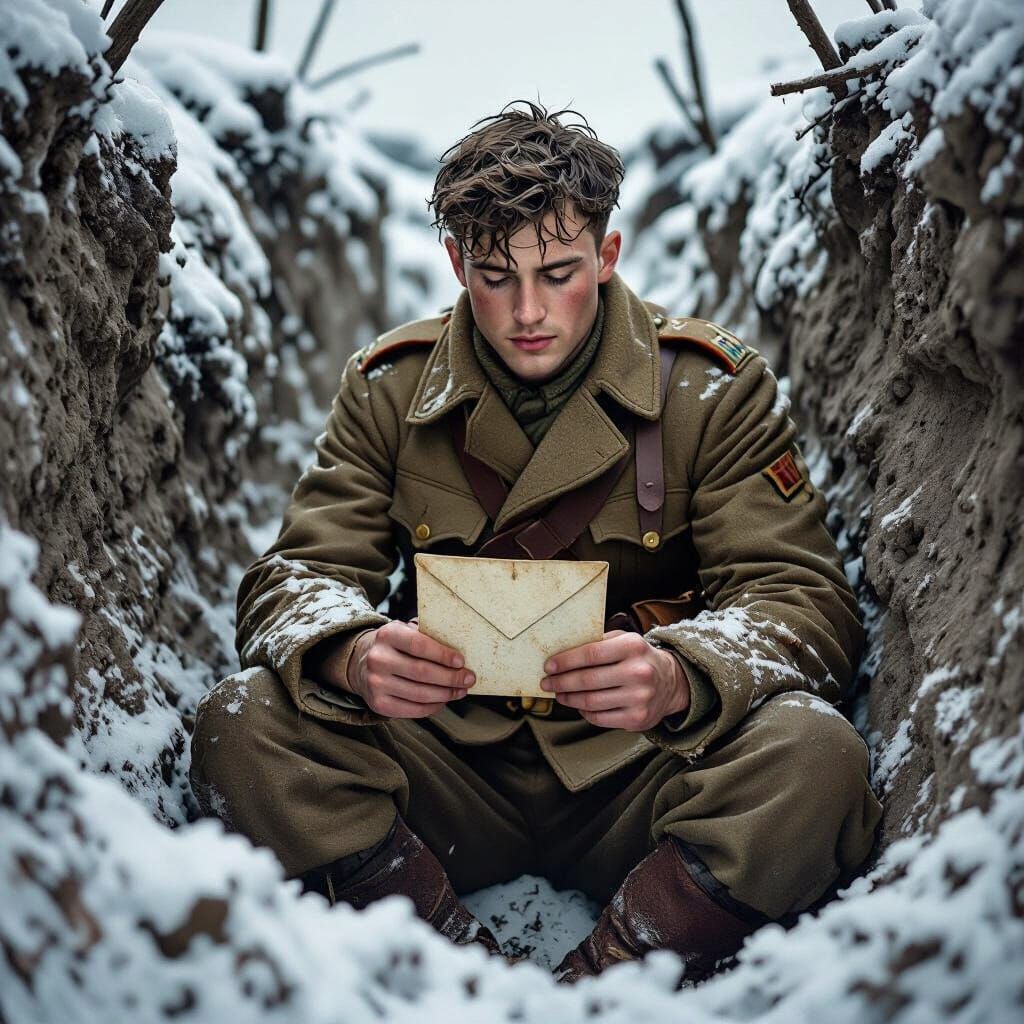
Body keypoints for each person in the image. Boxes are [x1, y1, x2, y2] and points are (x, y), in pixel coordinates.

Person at [189, 101, 883, 984]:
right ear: (456, 265)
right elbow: (297, 575)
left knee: (816, 756)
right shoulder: (389, 390)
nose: (528, 311)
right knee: (244, 725)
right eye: (495, 276)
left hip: (640, 768)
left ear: (607, 254)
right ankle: (446, 972)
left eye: (558, 273)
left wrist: (679, 675)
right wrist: (352, 654)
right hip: (443, 760)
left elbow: (805, 601)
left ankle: (610, 981)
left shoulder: (710, 392)